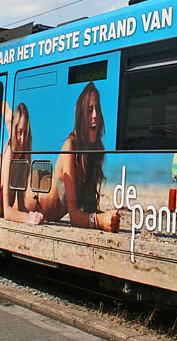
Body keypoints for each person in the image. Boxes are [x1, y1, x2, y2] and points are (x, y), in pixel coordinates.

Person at [31, 82, 119, 232]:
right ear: (81, 116)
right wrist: (100, 220)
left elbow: (88, 210)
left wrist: (109, 217)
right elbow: (74, 216)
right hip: (30, 201)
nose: (95, 116)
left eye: (97, 109)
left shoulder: (95, 152)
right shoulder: (70, 146)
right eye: (90, 110)